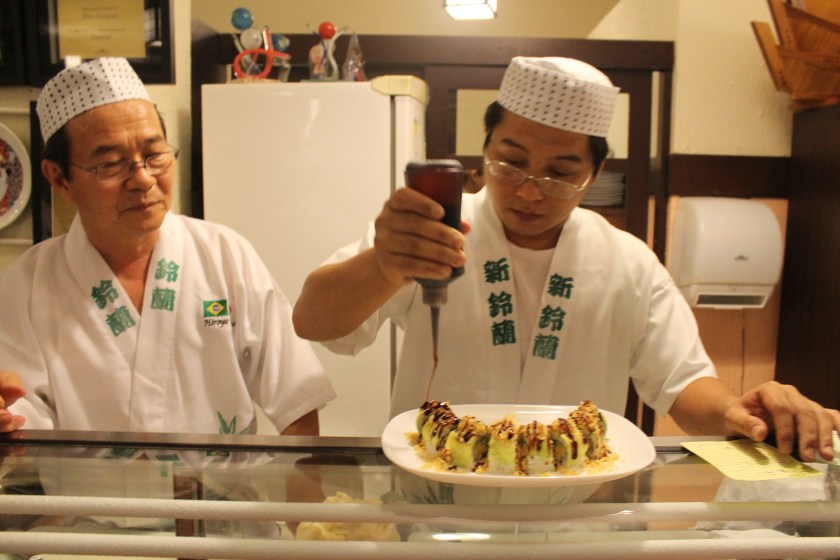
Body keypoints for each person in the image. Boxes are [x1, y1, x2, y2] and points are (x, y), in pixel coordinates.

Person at [293, 56, 840, 462]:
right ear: (485, 151)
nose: (531, 192)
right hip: (435, 494)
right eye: (511, 164)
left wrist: (738, 413)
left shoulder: (627, 261)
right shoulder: (430, 234)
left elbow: (683, 382)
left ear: (594, 174)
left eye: (559, 172)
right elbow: (316, 324)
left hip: (576, 505)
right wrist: (383, 265)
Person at [0, 57, 336, 435]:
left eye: (155, 154)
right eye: (111, 163)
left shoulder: (224, 255)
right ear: (59, 179)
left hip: (225, 492)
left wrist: (301, 489)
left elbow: (298, 403)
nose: (143, 179)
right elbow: (22, 420)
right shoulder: (26, 285)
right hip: (87, 494)